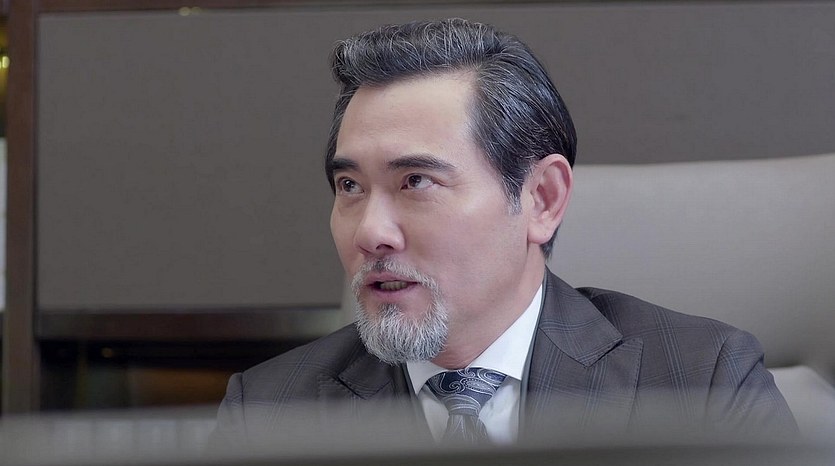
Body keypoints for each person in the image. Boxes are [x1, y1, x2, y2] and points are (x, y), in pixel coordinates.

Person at [214, 18, 795, 446]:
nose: (371, 232)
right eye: (350, 187)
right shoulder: (268, 413)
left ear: (541, 199)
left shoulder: (703, 384)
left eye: (416, 181)